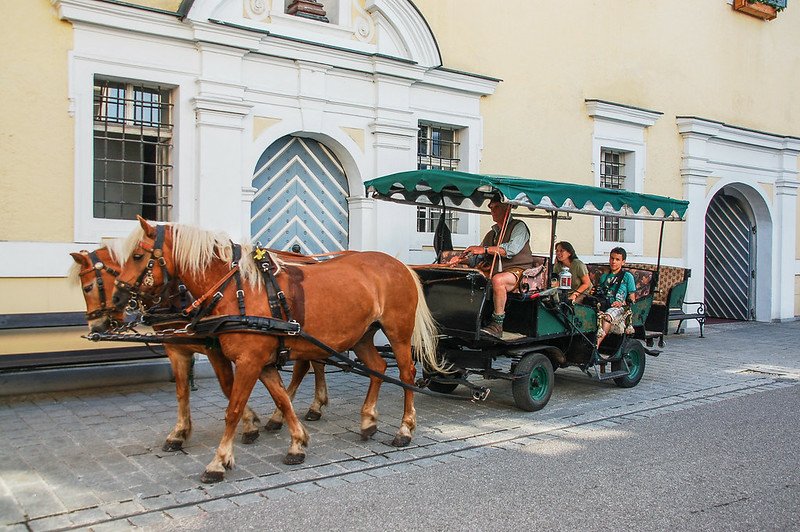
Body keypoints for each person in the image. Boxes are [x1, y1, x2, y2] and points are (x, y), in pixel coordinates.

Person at [448, 196, 532, 337]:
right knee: (470, 277)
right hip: (495, 271)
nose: (492, 210)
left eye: (496, 207)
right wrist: (459, 261)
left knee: (498, 280)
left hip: (519, 271)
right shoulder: (492, 233)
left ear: (507, 208)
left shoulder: (519, 226)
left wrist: (485, 249)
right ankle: (468, 318)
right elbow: (478, 258)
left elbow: (511, 249)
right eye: (491, 207)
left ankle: (497, 324)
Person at [595, 246, 636, 351]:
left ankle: (596, 346)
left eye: (617, 259)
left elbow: (632, 299)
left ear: (623, 262)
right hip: (604, 303)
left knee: (607, 316)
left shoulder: (627, 276)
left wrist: (622, 303)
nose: (613, 262)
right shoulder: (604, 276)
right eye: (612, 258)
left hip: (619, 307)